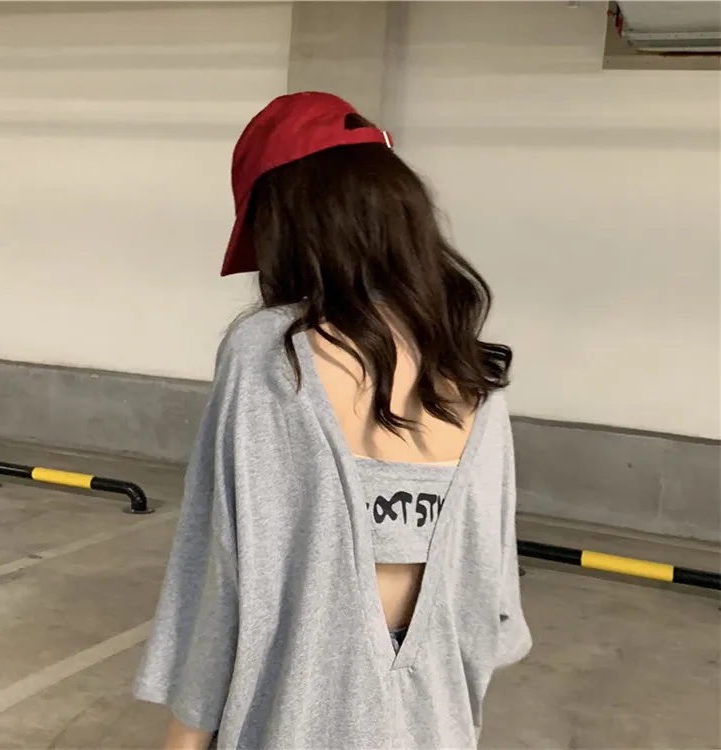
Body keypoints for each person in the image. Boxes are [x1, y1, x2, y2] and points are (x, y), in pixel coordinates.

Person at [134, 91, 531, 750]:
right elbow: (489, 617)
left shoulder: (273, 356)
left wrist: (185, 738)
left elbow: (221, 579)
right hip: (437, 728)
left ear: (285, 223)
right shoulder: (471, 373)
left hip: (292, 723)